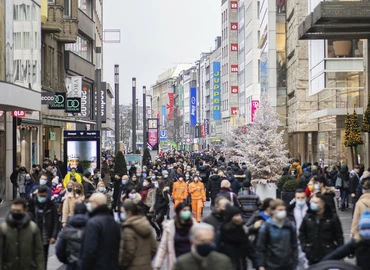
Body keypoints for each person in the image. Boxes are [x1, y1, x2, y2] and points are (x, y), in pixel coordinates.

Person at [0, 198, 45, 270]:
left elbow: (39, 253)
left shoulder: (33, 228)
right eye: (13, 211)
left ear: (25, 210)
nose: (15, 213)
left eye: (18, 211)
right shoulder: (4, 228)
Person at [299, 194, 344, 265]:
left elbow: (339, 236)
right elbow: (302, 233)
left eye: (316, 203)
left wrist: (341, 252)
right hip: (312, 254)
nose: (312, 204)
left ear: (322, 204)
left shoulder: (332, 217)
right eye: (312, 202)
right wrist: (305, 247)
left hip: (328, 253)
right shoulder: (308, 217)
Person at [80, 193, 120, 270]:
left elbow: (89, 250)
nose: (88, 204)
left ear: (96, 203)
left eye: (90, 202)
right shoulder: (114, 223)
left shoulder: (93, 223)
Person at [256, 199, 298, 270]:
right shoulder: (266, 227)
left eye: (283, 210)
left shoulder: (290, 226)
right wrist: (261, 265)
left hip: (288, 265)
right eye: (280, 210)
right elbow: (260, 248)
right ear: (273, 211)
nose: (282, 212)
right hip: (271, 265)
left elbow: (294, 245)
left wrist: (294, 262)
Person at [154, 203, 195, 270]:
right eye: (184, 210)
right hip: (175, 261)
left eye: (188, 210)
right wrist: (157, 265)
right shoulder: (170, 226)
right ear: (178, 212)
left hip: (191, 263)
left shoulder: (194, 225)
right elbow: (163, 247)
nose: (187, 212)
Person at [118, 200, 157, 270]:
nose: (121, 214)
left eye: (122, 212)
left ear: (129, 213)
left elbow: (129, 253)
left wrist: (122, 265)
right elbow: (154, 248)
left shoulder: (128, 230)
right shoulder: (146, 225)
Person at [28, 185, 59, 268]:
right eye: (40, 196)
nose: (42, 197)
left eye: (44, 196)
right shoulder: (32, 204)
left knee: (44, 257)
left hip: (46, 235)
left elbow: (56, 221)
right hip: (33, 235)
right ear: (37, 194)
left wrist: (54, 236)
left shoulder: (51, 205)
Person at [56, 203, 89, 270]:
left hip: (72, 264)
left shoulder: (67, 230)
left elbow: (59, 250)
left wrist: (67, 261)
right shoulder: (92, 228)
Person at [287, 189, 309, 270]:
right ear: (295, 198)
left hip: (308, 240)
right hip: (295, 240)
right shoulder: (290, 211)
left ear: (306, 198)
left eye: (302, 198)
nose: (300, 200)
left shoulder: (311, 210)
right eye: (298, 198)